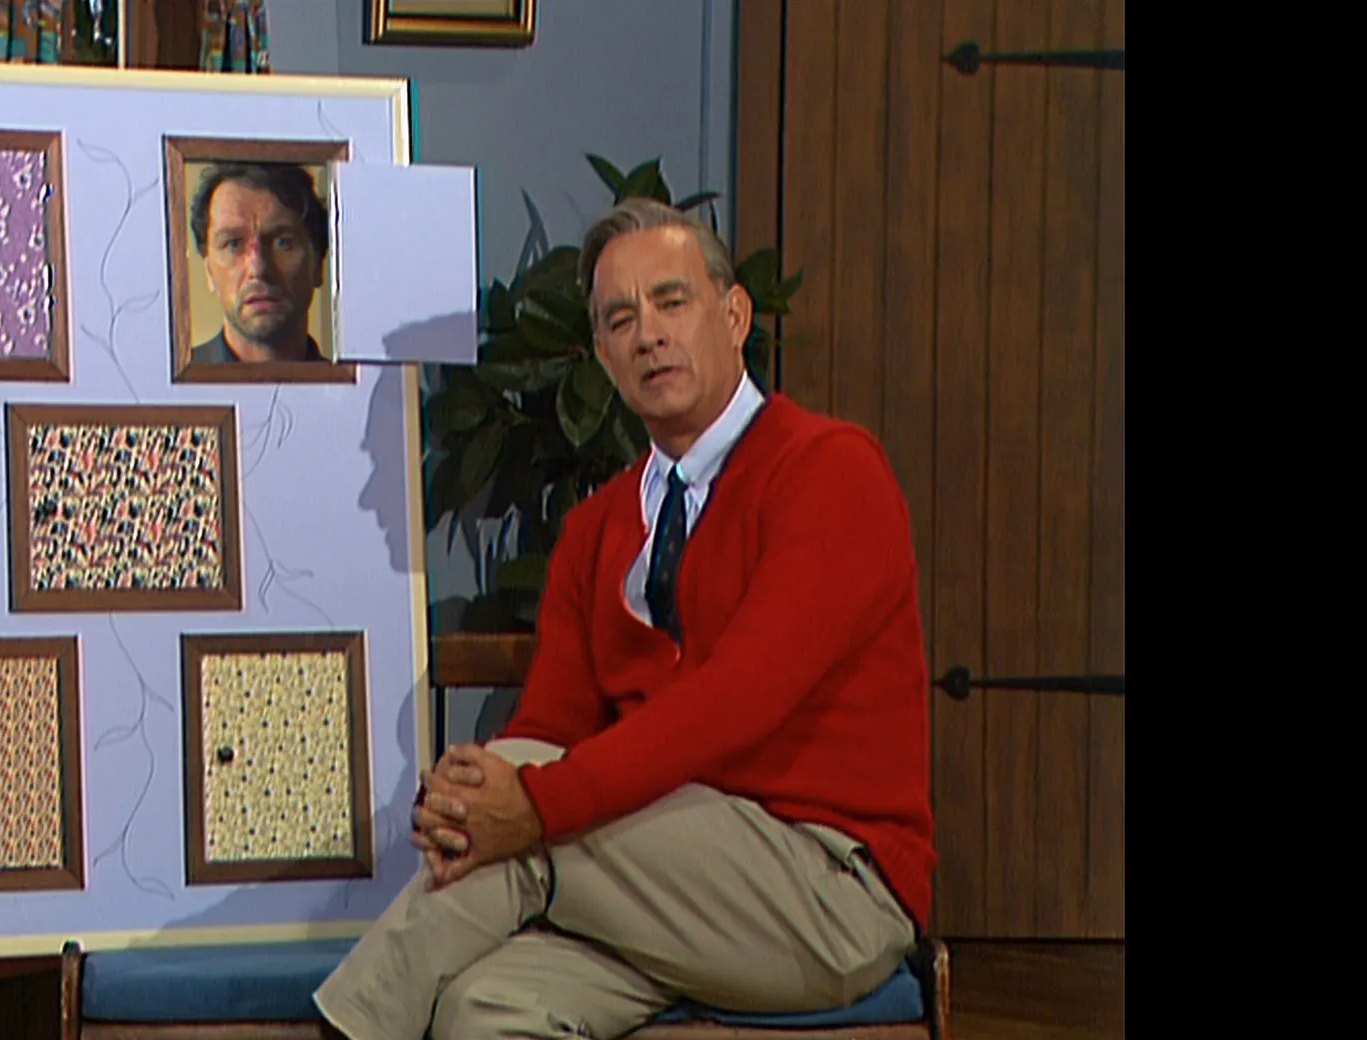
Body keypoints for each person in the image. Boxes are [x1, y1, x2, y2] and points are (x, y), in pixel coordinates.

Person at [313, 198, 936, 1039]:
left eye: (672, 301)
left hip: (826, 889)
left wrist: (528, 802)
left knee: (531, 803)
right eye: (620, 319)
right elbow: (551, 725)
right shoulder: (598, 528)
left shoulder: (830, 471)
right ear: (603, 357)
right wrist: (470, 794)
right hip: (654, 888)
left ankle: (343, 1031)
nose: (649, 334)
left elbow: (736, 701)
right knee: (485, 1009)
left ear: (734, 315)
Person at [187, 161, 330, 365]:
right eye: (233, 244)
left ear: (317, 263)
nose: (258, 268)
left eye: (282, 242)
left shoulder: (360, 384)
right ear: (208, 270)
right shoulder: (164, 384)